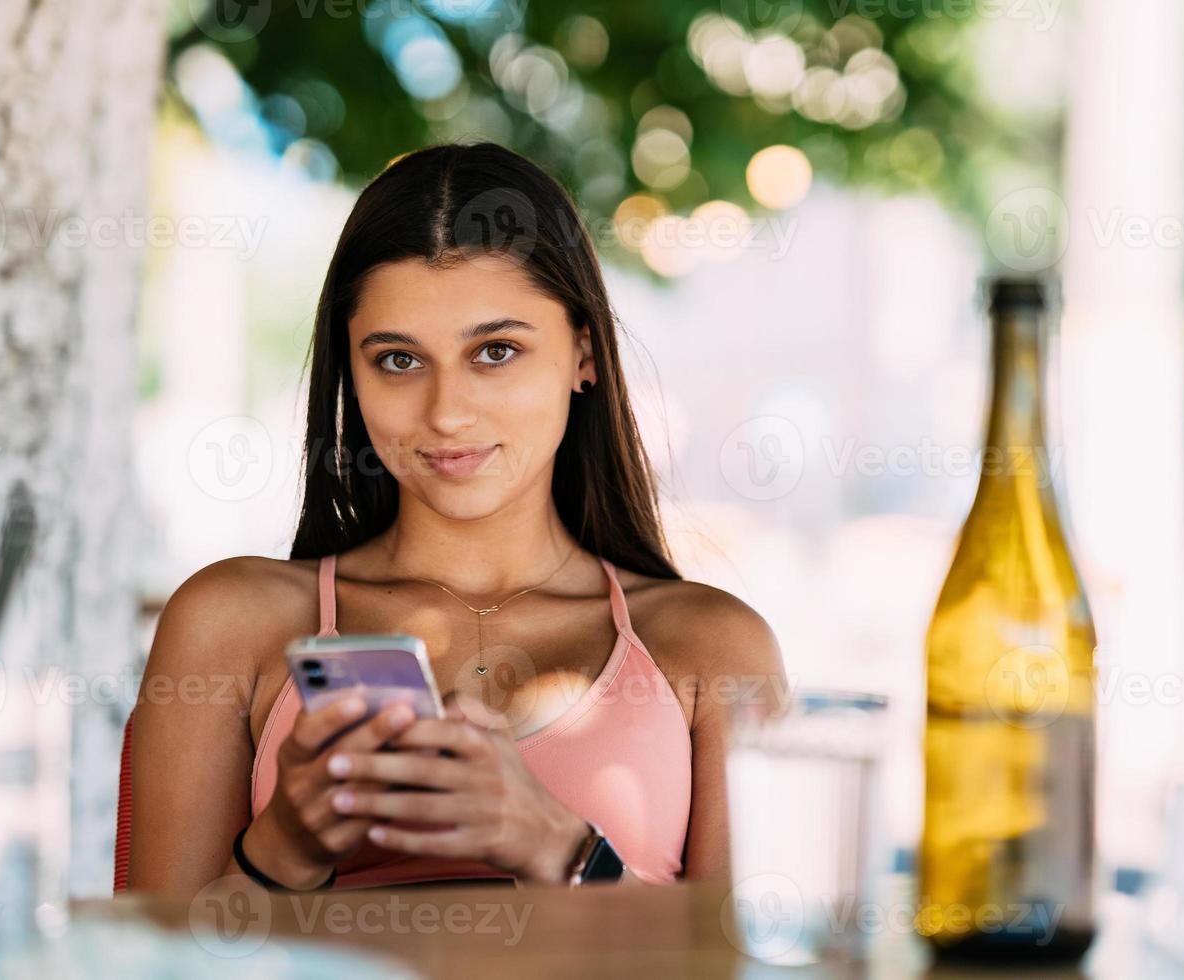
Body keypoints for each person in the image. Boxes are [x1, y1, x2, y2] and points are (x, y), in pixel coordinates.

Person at [126, 141, 789, 896]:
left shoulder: (709, 647)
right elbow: (153, 960)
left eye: (495, 351)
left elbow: (766, 962)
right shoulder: (231, 622)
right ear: (350, 371)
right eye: (399, 361)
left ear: (582, 354)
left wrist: (557, 846)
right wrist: (285, 846)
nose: (445, 413)